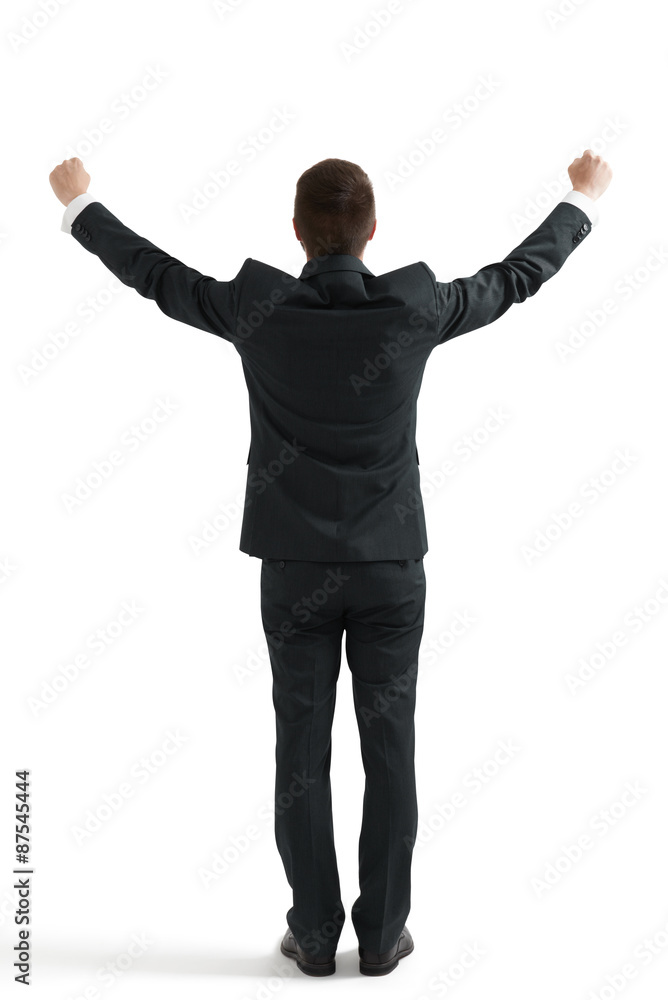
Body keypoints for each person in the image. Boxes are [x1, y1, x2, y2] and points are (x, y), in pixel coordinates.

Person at [49, 149, 612, 977]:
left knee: (300, 754)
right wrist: (581, 197)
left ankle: (314, 937)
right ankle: (381, 937)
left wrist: (80, 206)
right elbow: (515, 278)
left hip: (295, 570)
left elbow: (157, 277)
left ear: (296, 232)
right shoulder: (414, 308)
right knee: (390, 750)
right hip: (390, 567)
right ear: (373, 231)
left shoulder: (259, 309)